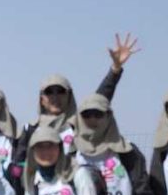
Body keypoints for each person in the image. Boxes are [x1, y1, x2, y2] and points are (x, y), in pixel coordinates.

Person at [13, 33, 140, 165]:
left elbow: (99, 100)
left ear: (69, 96)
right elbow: (18, 164)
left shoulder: (78, 124)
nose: (55, 97)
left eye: (61, 91)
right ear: (41, 99)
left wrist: (115, 70)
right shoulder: (30, 130)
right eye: (49, 92)